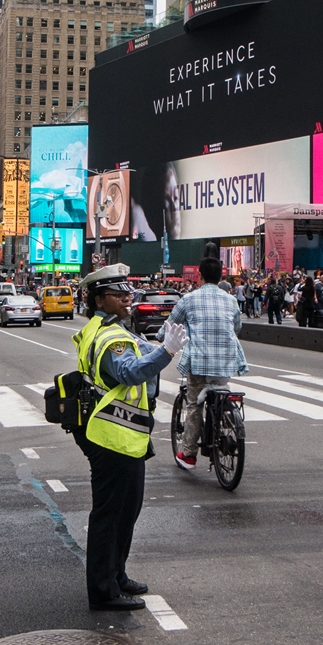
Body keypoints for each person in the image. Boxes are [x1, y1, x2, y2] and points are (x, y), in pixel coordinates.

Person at [72, 264, 188, 611]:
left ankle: (116, 574)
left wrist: (156, 343)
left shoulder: (109, 328)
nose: (127, 298)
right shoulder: (110, 337)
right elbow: (128, 371)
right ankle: (104, 590)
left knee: (128, 508)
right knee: (111, 513)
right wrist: (166, 352)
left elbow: (135, 353)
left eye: (128, 292)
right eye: (117, 294)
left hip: (124, 431)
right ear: (98, 300)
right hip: (111, 434)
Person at [157, 257, 248, 470]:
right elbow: (236, 328)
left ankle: (188, 454)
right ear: (220, 278)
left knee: (194, 405)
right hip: (227, 362)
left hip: (199, 362)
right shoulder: (231, 300)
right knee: (221, 390)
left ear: (200, 275)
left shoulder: (188, 299)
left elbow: (170, 326)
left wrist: (161, 336)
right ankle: (226, 419)